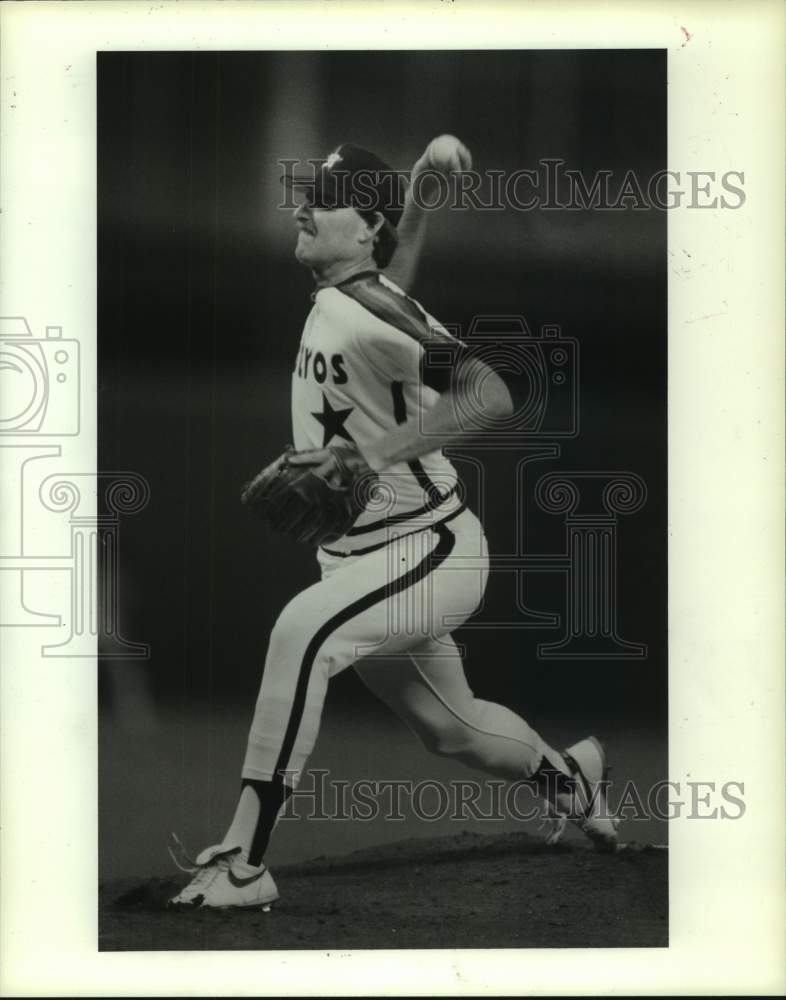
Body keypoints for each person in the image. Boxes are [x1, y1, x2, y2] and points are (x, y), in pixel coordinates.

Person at [168, 139, 619, 910]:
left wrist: (374, 453)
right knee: (455, 732)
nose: (306, 205)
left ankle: (242, 861)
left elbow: (492, 393)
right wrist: (421, 192)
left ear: (364, 224)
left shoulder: (369, 305)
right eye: (311, 192)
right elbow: (387, 287)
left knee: (301, 633)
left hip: (430, 550)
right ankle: (569, 777)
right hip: (362, 561)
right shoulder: (352, 297)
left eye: (328, 198)